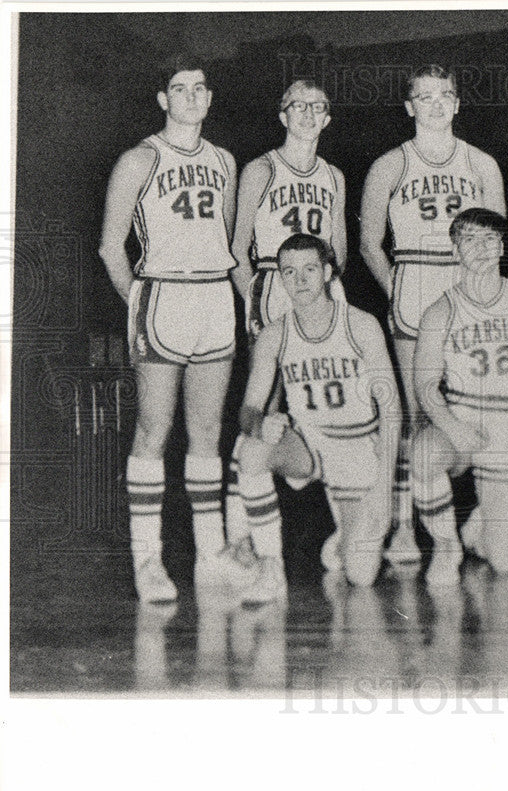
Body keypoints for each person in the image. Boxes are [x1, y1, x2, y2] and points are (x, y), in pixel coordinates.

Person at [99, 55, 238, 603]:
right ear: (163, 99)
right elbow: (112, 247)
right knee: (152, 432)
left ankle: (210, 557)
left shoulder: (225, 160)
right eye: (180, 89)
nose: (191, 97)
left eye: (200, 88)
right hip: (162, 292)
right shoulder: (139, 158)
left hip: (213, 294)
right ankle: (148, 561)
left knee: (207, 434)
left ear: (209, 97)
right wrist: (137, 302)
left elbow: (222, 237)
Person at [360, 64, 505, 565]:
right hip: (414, 289)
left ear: (458, 103)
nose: (437, 104)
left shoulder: (482, 164)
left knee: (482, 405)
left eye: (446, 95)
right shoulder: (390, 165)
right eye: (425, 97)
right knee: (416, 414)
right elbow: (369, 244)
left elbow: (494, 243)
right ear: (409, 106)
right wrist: (397, 287)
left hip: (467, 291)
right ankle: (405, 527)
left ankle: (481, 518)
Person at [234, 234, 399, 602]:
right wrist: (260, 424)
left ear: (327, 272)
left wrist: (384, 487)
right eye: (289, 272)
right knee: (252, 451)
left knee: (361, 576)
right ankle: (270, 567)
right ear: (280, 278)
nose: (300, 280)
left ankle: (346, 534)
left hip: (358, 447)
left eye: (309, 269)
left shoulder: (360, 324)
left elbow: (392, 411)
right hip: (310, 444)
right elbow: (247, 409)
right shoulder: (274, 335)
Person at [224, 79, 349, 556]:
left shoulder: (334, 176)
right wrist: (253, 299)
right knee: (265, 406)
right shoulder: (261, 168)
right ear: (282, 115)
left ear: (327, 117)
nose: (308, 114)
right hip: (273, 284)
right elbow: (235, 249)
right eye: (298, 106)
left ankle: (345, 520)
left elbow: (339, 251)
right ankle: (240, 532)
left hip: (321, 286)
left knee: (328, 397)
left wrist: (329, 295)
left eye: (318, 107)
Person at [411, 208, 508, 585]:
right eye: (470, 240)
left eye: (490, 239)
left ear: (501, 246)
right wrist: (452, 427)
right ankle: (446, 543)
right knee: (423, 454)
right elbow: (425, 386)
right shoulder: (440, 310)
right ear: (454, 251)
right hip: (460, 425)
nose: (481, 248)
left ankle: (484, 512)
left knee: (503, 562)